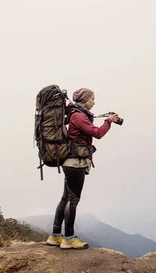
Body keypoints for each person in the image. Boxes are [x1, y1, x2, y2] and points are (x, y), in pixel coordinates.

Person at [45, 88, 119, 249]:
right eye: (92, 98)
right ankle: (69, 238)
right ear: (85, 99)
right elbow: (97, 133)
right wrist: (109, 121)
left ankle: (55, 236)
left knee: (66, 198)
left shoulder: (75, 114)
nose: (94, 101)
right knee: (73, 200)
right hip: (75, 163)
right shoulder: (79, 116)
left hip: (70, 163)